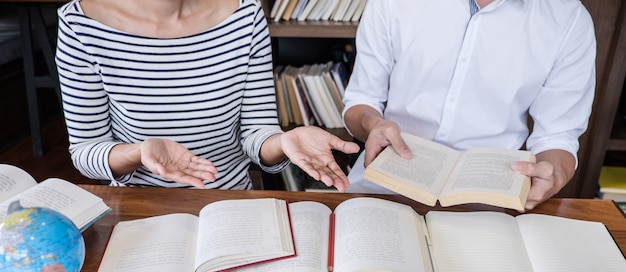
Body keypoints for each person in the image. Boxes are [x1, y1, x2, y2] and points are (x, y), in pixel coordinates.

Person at [55, 0, 359, 191]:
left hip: (228, 207)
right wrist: (139, 153)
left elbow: (256, 133)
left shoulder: (246, 15)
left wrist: (282, 141)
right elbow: (86, 152)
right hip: (140, 209)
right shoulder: (79, 23)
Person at [343, 0, 596, 210]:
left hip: (489, 198)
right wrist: (373, 124)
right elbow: (361, 100)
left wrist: (554, 175)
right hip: (383, 184)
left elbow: (558, 137)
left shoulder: (569, 19)